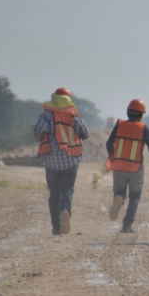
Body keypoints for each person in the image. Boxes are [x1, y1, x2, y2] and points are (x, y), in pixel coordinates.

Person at [34, 87, 89, 236]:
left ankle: (56, 227)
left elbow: (39, 130)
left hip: (52, 161)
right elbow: (85, 132)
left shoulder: (46, 115)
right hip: (71, 158)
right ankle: (65, 209)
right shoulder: (73, 115)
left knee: (54, 193)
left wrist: (45, 137)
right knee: (67, 189)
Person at [106, 99, 149, 233]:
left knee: (119, 191)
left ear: (127, 112)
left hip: (118, 165)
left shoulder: (119, 125)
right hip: (135, 168)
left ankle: (119, 198)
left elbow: (108, 144)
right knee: (135, 196)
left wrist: (112, 156)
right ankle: (127, 225)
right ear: (141, 115)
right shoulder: (144, 128)